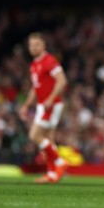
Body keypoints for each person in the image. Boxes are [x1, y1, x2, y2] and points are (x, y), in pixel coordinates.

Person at [19, 32, 68, 183]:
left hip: (51, 105)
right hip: (43, 105)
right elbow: (35, 87)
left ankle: (60, 162)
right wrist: (26, 105)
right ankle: (52, 174)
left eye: (36, 45)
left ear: (43, 45)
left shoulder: (49, 61)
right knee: (47, 141)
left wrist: (50, 99)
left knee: (35, 136)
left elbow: (62, 81)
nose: (33, 48)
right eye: (31, 45)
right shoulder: (34, 64)